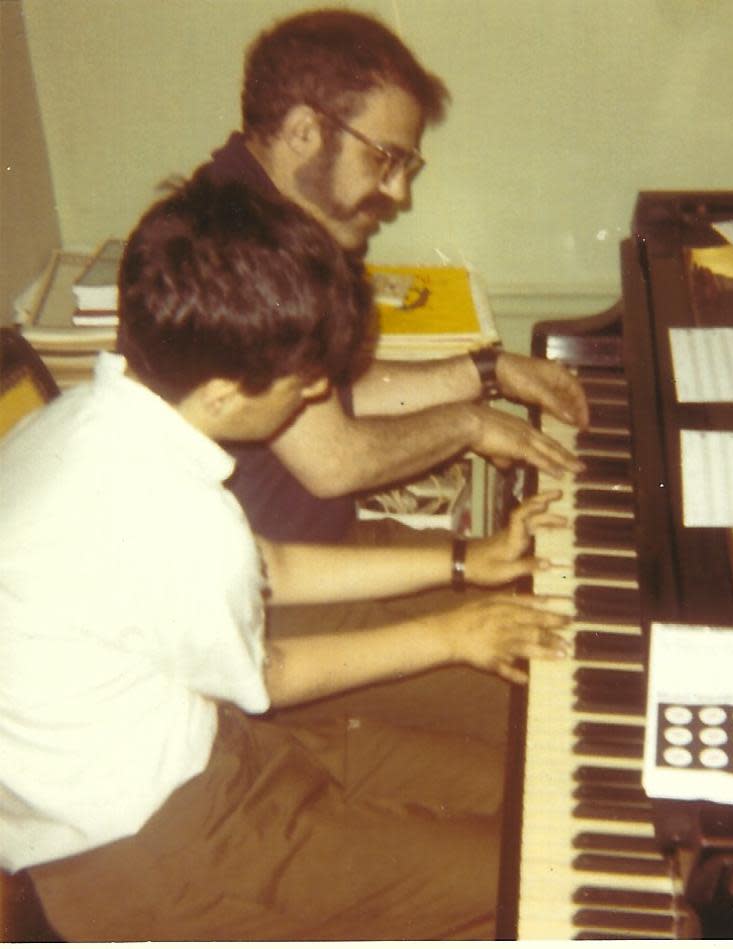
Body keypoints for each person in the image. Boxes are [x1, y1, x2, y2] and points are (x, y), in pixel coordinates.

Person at [0, 176, 569, 940]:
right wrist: (451, 634)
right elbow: (268, 674)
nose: (317, 396)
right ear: (228, 392)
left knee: (529, 792)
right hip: (156, 856)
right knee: (527, 884)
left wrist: (464, 559)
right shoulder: (170, 511)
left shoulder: (88, 420)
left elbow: (265, 563)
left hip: (206, 753)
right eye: (304, 383)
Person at [196, 7, 590, 545]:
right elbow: (334, 460)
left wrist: (487, 371)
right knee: (543, 604)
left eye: (407, 167)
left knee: (526, 567)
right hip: (277, 592)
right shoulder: (242, 255)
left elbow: (329, 399)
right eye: (386, 159)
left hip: (317, 552)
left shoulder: (261, 216)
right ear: (303, 132)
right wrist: (469, 424)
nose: (399, 193)